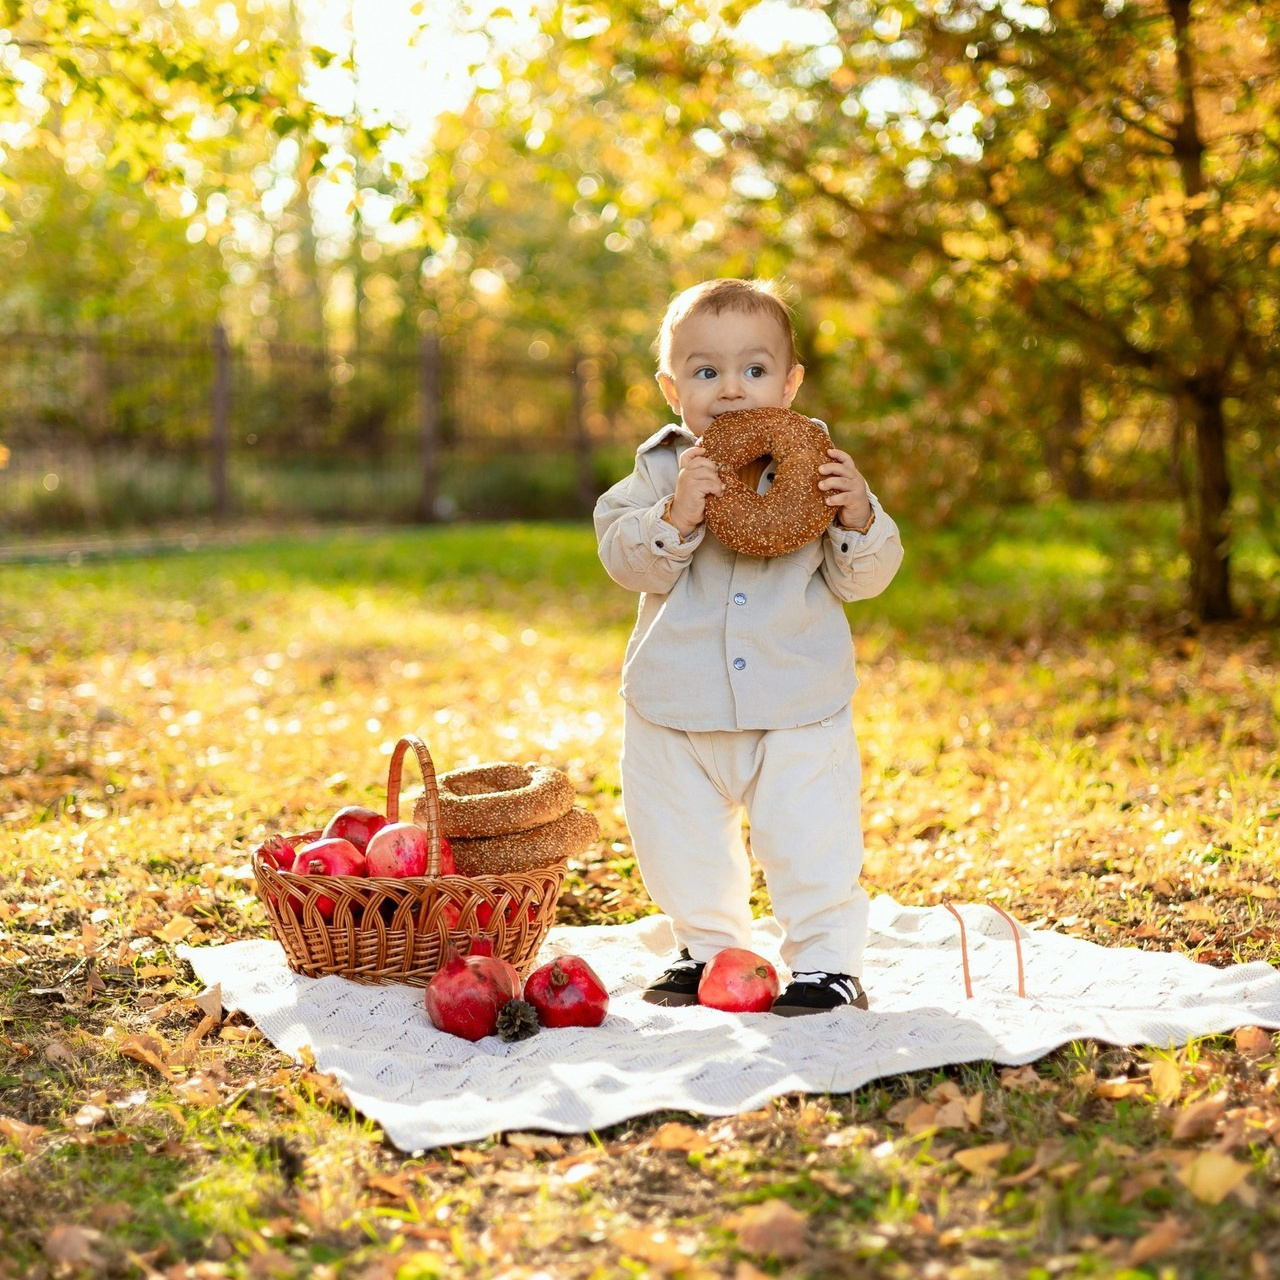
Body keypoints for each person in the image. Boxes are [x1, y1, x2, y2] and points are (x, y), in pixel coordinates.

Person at [593, 278, 904, 1015]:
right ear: (673, 390)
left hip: (796, 706)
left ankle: (827, 962)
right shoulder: (658, 472)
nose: (730, 390)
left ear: (790, 384)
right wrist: (676, 513)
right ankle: (705, 946)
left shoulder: (823, 470)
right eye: (706, 372)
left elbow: (865, 578)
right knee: (679, 841)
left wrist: (859, 513)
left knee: (811, 838)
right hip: (676, 705)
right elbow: (623, 558)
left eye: (754, 370)